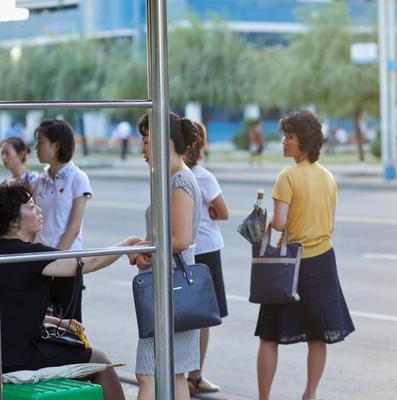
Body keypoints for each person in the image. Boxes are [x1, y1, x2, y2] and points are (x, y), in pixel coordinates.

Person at [0, 183, 142, 400]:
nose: (39, 210)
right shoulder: (32, 256)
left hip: (7, 349)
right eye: (30, 206)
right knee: (101, 361)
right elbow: (89, 263)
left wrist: (55, 320)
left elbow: (12, 306)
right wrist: (128, 244)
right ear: (13, 222)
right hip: (22, 355)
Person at [255, 110, 355, 400]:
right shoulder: (328, 177)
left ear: (305, 141)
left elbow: (279, 224)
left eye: (290, 137)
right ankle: (309, 393)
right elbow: (331, 223)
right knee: (318, 334)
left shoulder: (286, 177)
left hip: (290, 263)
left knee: (269, 335)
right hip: (323, 260)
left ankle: (264, 397)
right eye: (285, 136)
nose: (284, 142)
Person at [130, 112, 202, 400]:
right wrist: (147, 246)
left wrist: (147, 249)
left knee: (148, 373)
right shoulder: (172, 178)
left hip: (169, 289)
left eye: (147, 142)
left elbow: (181, 239)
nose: (142, 150)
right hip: (172, 286)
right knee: (175, 373)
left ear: (165, 141)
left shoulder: (179, 181)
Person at [183, 121, 229, 395]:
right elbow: (223, 212)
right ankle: (195, 376)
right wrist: (210, 211)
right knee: (203, 317)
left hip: (185, 251)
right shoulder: (202, 176)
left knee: (187, 315)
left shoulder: (173, 175)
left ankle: (185, 373)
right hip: (207, 250)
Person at [31, 119, 93, 322]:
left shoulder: (78, 178)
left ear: (56, 145)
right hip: (40, 265)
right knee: (39, 324)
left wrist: (54, 260)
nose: (36, 148)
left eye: (40, 142)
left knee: (69, 327)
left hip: (66, 265)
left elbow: (73, 227)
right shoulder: (39, 181)